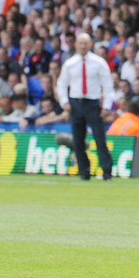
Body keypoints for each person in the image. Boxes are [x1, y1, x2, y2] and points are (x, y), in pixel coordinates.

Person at [57, 33, 114, 181]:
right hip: (75, 104)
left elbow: (107, 85)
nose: (83, 46)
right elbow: (61, 84)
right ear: (75, 44)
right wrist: (65, 102)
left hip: (92, 103)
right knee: (78, 141)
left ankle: (107, 171)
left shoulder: (99, 62)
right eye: (80, 43)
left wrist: (107, 105)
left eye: (85, 43)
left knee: (100, 138)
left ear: (90, 45)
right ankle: (84, 171)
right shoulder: (70, 63)